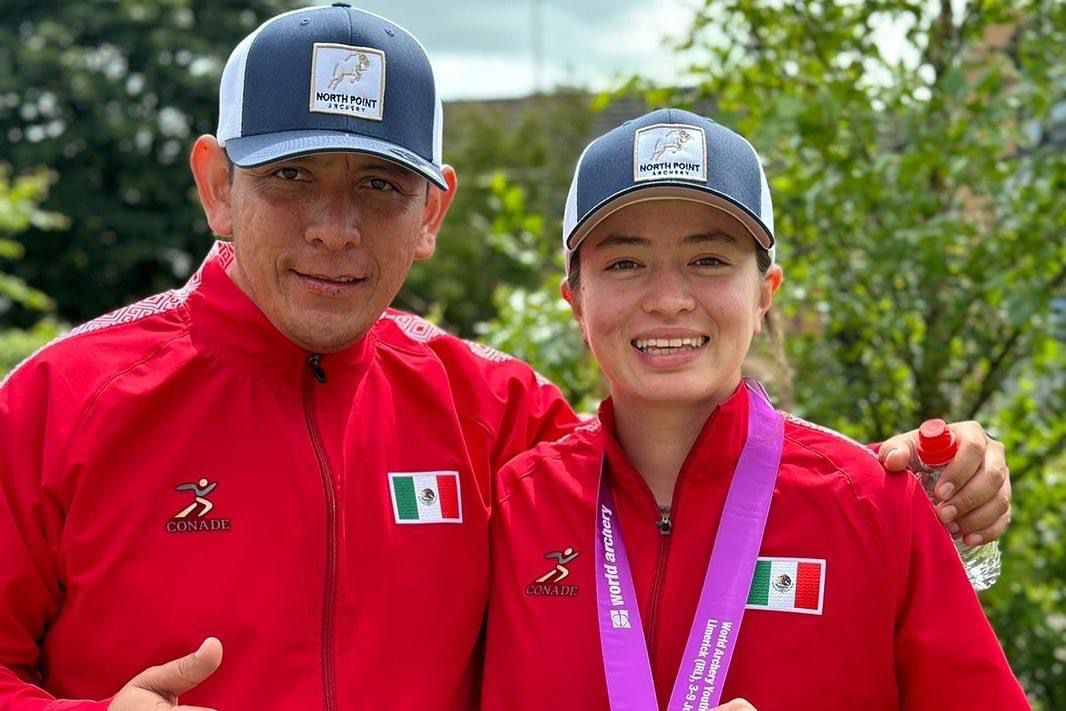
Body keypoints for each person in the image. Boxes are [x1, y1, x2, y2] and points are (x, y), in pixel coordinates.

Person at [0, 6, 1011, 710]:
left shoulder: (493, 413)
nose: (336, 230)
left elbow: (695, 485)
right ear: (217, 185)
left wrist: (902, 483)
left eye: (379, 189)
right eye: (293, 179)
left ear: (433, 210)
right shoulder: (57, 401)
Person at [480, 109, 1028, 711]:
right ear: (575, 301)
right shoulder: (512, 511)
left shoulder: (874, 507)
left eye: (709, 260)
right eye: (625, 263)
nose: (668, 299)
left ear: (765, 295)